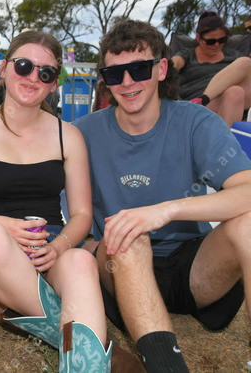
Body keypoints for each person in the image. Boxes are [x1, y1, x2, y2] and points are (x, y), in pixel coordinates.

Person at [75, 19, 251, 372]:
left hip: (192, 266)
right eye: (115, 74)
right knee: (127, 236)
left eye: (139, 69)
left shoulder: (195, 121)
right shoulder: (82, 133)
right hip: (119, 265)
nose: (127, 83)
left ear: (162, 69)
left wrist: (166, 210)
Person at [0, 30, 117, 371]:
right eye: (24, 66)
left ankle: (82, 360)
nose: (32, 77)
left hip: (49, 249)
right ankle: (78, 341)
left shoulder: (68, 136)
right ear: (5, 68)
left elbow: (82, 214)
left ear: (53, 84)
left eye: (46, 72)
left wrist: (59, 246)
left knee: (81, 262)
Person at [172, 11, 251, 126]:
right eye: (211, 41)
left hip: (231, 104)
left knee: (244, 66)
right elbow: (174, 63)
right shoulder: (187, 55)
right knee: (235, 92)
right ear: (198, 38)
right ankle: (201, 102)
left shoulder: (233, 56)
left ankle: (203, 100)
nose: (217, 45)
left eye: (222, 40)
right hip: (192, 107)